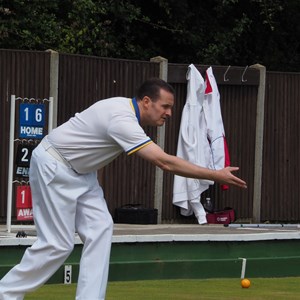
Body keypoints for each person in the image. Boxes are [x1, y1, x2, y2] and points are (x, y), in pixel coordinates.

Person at [0, 78, 247, 300]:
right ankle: (5, 294)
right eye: (166, 106)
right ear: (147, 102)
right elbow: (164, 162)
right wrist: (215, 174)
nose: (169, 113)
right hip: (54, 165)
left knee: (101, 228)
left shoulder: (125, 113)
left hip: (82, 173)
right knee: (58, 244)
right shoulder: (121, 119)